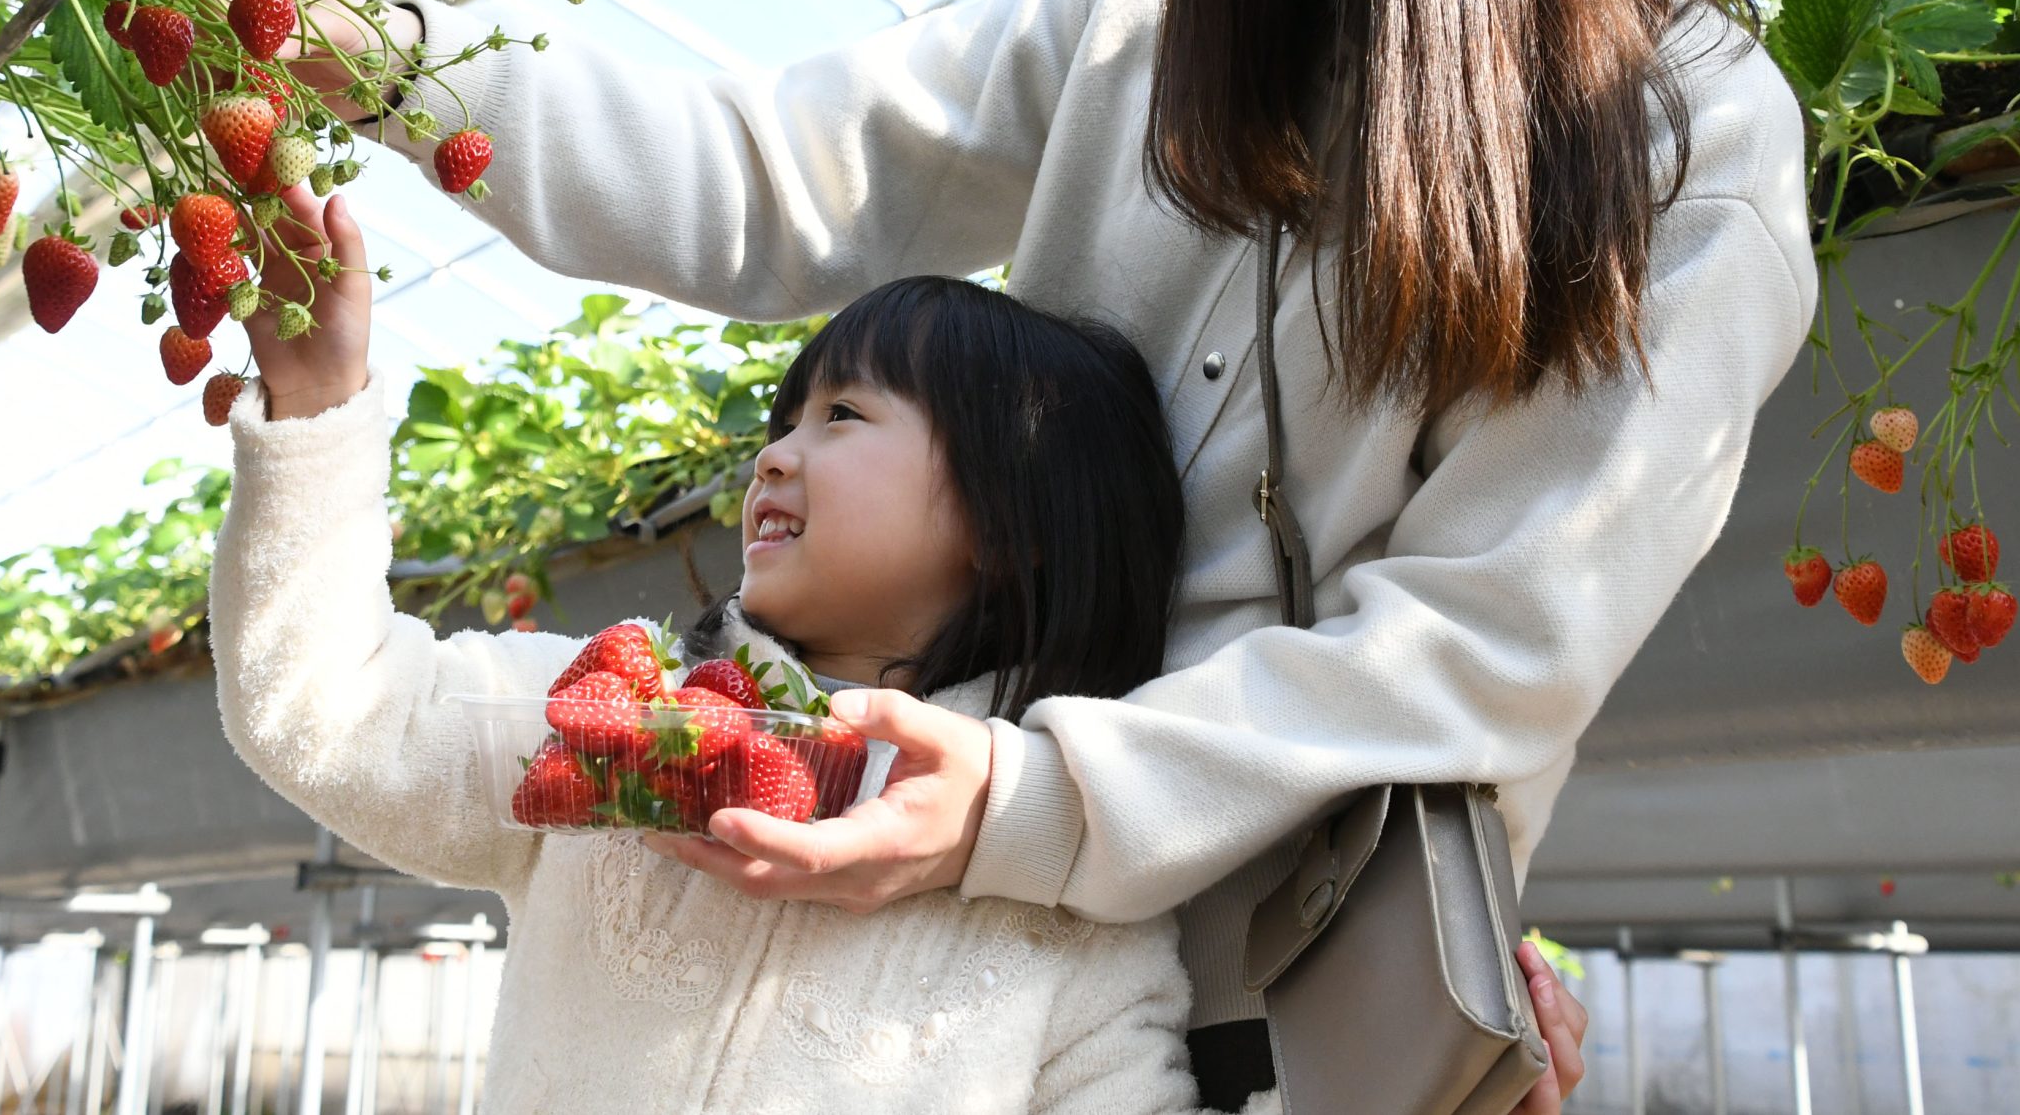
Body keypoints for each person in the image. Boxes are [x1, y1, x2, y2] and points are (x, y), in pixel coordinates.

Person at [283, 0, 1815, 1105]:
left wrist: (1037, 801)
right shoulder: (1153, 1)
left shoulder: (1686, 154)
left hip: (1255, 1006)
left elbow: (1483, 636)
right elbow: (776, 179)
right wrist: (380, 57)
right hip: (951, 858)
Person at [213, 247, 1278, 1112]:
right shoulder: (609, 717)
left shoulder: (1067, 907)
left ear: (1015, 523)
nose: (772, 456)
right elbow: (327, 707)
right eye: (781, 424)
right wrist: (314, 406)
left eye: (843, 418)